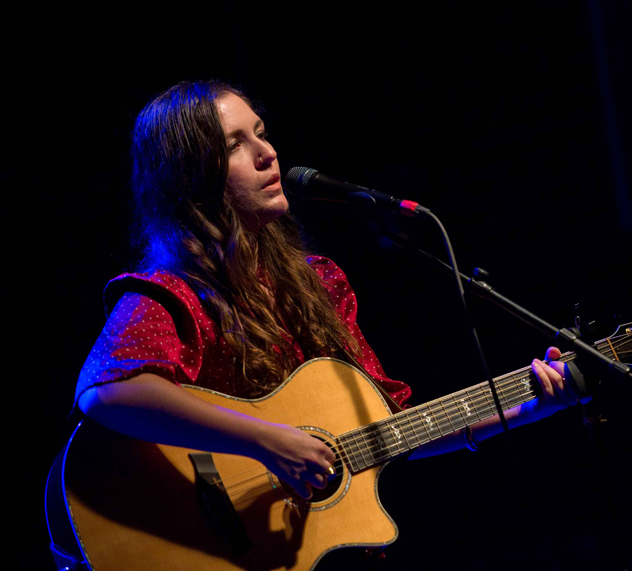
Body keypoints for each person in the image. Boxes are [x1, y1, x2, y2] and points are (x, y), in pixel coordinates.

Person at [75, 80, 585, 502]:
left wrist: (524, 411)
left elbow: (392, 431)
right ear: (187, 176)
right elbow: (106, 392)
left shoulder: (318, 281)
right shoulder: (174, 293)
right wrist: (266, 441)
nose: (267, 153)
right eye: (233, 145)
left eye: (261, 133)